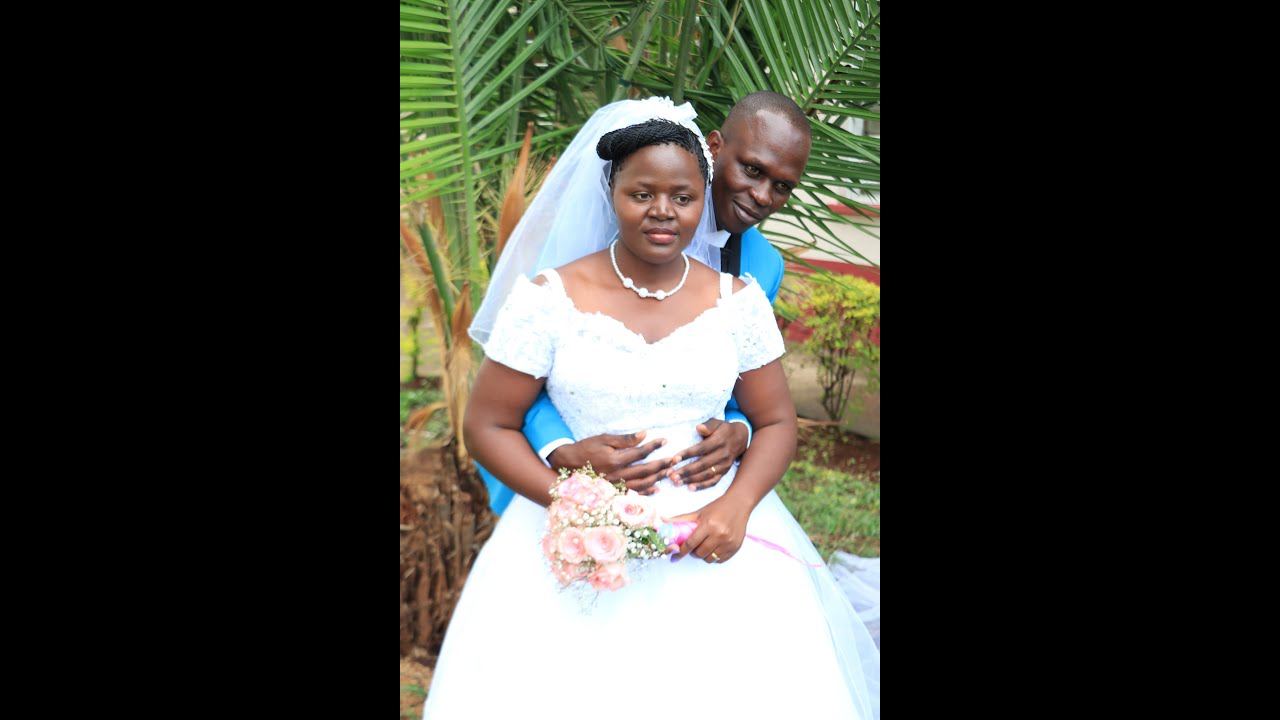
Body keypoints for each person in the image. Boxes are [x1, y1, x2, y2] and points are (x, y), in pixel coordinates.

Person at [424, 113, 879, 719]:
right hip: (579, 525)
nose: (663, 210)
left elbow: (768, 414)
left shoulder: (743, 292)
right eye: (642, 194)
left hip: (709, 529)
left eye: (682, 197)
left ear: (698, 192)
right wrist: (569, 485)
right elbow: (492, 419)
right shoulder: (548, 298)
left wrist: (736, 487)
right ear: (611, 192)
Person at [472, 92, 811, 514]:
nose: (762, 196)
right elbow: (539, 366)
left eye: (781, 186)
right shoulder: (601, 235)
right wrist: (561, 449)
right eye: (752, 170)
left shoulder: (763, 268)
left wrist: (740, 429)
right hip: (574, 477)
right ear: (715, 148)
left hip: (696, 497)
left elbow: (745, 386)